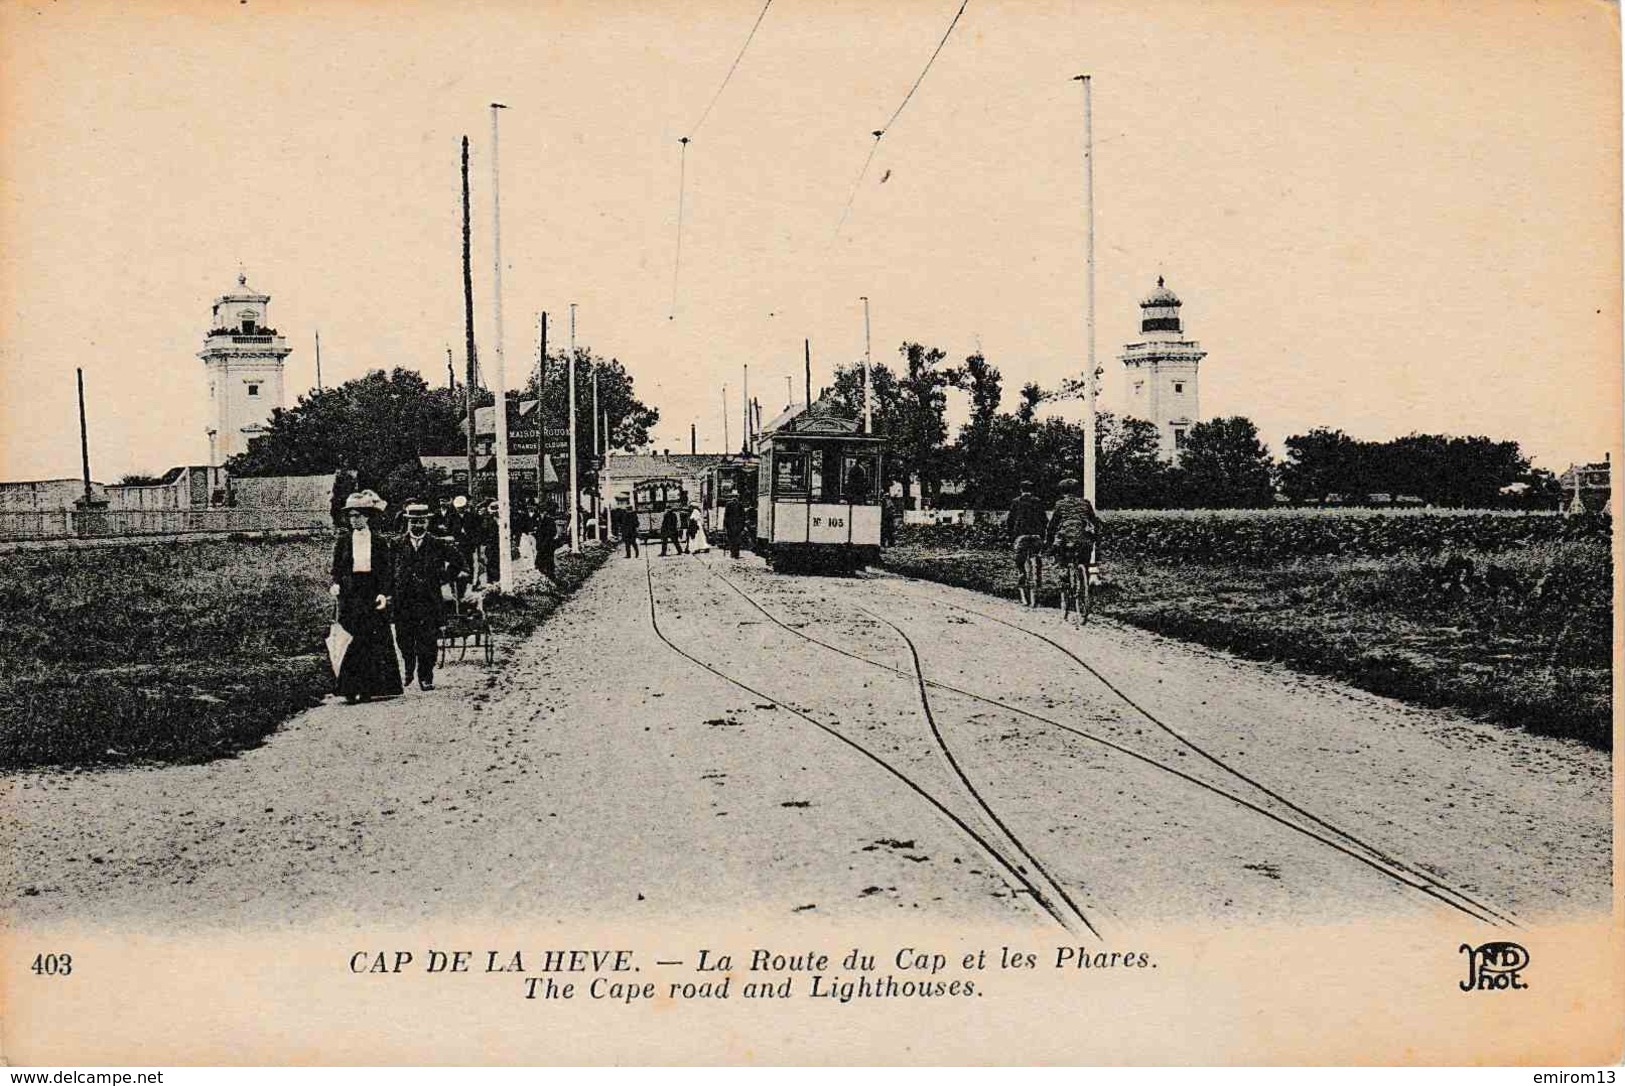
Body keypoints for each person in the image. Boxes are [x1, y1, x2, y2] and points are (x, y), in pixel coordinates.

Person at [329, 490, 403, 703]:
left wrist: (384, 593)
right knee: (351, 639)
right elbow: (337, 568)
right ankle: (350, 689)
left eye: (358, 516)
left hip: (371, 592)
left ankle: (371, 688)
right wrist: (336, 584)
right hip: (351, 594)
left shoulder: (379, 542)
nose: (354, 520)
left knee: (371, 640)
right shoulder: (343, 541)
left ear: (368, 517)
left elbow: (386, 571)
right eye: (351, 516)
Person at [392, 500, 467, 691]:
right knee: (404, 639)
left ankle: (426, 677)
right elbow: (385, 569)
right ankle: (409, 666)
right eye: (413, 522)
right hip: (403, 600)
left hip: (428, 600)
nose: (417, 525)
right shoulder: (396, 544)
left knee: (428, 642)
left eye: (421, 521)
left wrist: (443, 578)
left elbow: (458, 560)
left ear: (427, 522)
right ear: (407, 522)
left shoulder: (436, 543)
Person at [1045, 477, 1103, 584]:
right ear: (1077, 490)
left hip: (1065, 539)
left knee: (1059, 554)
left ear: (1062, 491)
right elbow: (1095, 522)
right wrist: (1097, 538)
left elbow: (1052, 525)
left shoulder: (1060, 504)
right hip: (1083, 539)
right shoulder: (1085, 503)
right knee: (1085, 555)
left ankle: (1063, 571)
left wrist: (1049, 542)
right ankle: (1084, 576)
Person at [1007, 479, 1048, 602]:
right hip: (1036, 536)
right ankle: (1038, 577)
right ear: (1032, 490)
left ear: (1021, 490)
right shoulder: (1038, 502)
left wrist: (1011, 536)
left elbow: (1010, 521)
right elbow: (1044, 520)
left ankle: (1022, 574)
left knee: (1019, 561)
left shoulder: (1016, 502)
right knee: (1036, 556)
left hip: (1021, 537)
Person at [534, 498, 561, 586]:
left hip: (547, 546)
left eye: (543, 512)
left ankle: (551, 581)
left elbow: (551, 534)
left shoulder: (549, 520)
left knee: (547, 563)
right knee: (541, 563)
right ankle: (547, 581)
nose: (541, 513)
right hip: (541, 545)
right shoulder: (539, 520)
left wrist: (543, 544)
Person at [722, 494, 745, 559]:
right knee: (736, 540)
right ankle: (735, 553)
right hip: (736, 525)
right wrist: (742, 525)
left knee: (732, 540)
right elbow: (743, 516)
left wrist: (725, 525)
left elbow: (726, 516)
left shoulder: (729, 504)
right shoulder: (739, 505)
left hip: (732, 525)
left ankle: (733, 553)